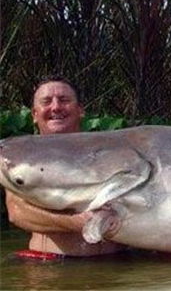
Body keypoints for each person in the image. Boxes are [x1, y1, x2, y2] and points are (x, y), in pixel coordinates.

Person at [5, 75, 125, 259]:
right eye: (46, 101)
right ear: (34, 115)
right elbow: (17, 212)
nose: (55, 107)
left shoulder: (108, 151)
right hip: (51, 268)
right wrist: (81, 223)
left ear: (80, 110)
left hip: (117, 264)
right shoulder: (20, 158)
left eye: (64, 100)